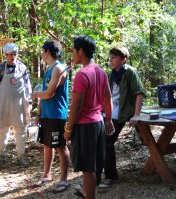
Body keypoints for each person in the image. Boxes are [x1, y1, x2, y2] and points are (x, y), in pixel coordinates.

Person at [64, 36, 114, 199]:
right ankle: (87, 192)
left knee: (88, 167)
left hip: (86, 126)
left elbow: (76, 106)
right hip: (98, 122)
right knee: (92, 165)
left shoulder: (82, 74)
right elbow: (108, 97)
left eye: (73, 50)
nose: (72, 54)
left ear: (81, 51)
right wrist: (108, 119)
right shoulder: (101, 71)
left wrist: (68, 129)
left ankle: (89, 195)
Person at [96, 47, 145, 189]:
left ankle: (111, 177)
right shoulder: (111, 74)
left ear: (123, 59)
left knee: (107, 142)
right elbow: (106, 96)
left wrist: (136, 115)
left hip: (123, 113)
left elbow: (139, 93)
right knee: (100, 141)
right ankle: (96, 177)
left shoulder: (130, 72)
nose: (110, 60)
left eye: (114, 58)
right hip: (110, 113)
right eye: (110, 57)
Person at [31, 40, 70, 193]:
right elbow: (44, 92)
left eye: (42, 51)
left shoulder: (59, 68)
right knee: (47, 144)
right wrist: (39, 113)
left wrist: (35, 95)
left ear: (47, 51)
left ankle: (64, 180)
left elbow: (49, 93)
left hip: (56, 114)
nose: (41, 54)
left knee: (60, 145)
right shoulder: (49, 69)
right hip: (47, 114)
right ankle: (46, 175)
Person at [0, 42, 32, 166]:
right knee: (3, 130)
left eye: (14, 54)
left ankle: (21, 156)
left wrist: (29, 102)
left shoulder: (22, 67)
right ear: (5, 55)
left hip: (20, 105)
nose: (12, 57)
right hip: (4, 105)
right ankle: (1, 155)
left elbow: (27, 86)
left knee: (21, 130)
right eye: (10, 54)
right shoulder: (0, 68)